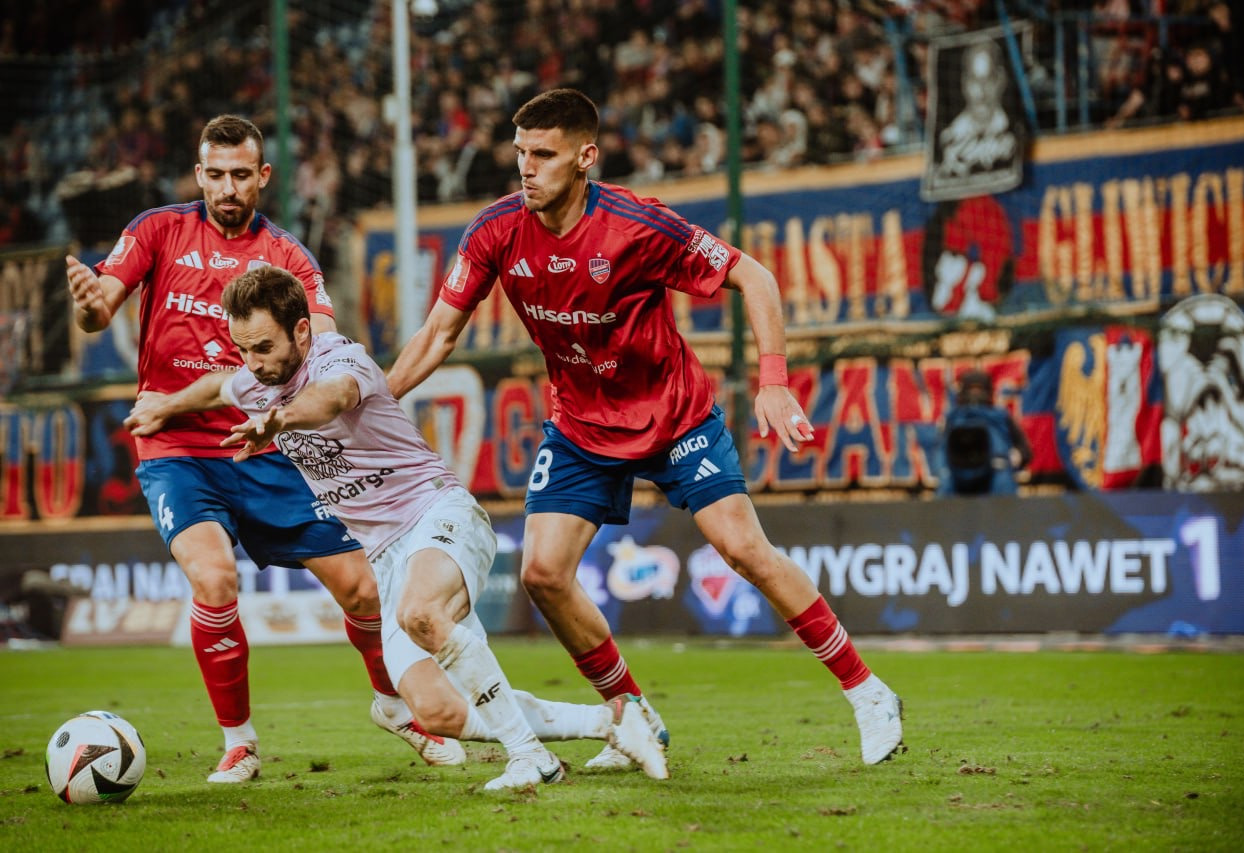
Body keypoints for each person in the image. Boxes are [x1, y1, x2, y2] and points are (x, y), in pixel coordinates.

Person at [384, 88, 905, 770]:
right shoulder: (495, 230)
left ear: (585, 157)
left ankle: (868, 690)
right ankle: (634, 718)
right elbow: (437, 334)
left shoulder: (637, 224)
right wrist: (374, 403)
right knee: (543, 573)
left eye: (544, 155)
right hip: (580, 427)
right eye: (520, 154)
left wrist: (774, 381)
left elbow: (755, 277)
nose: (527, 169)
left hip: (673, 416)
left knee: (744, 549)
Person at [128, 265, 669, 789]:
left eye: (264, 348)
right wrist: (165, 407)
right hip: (386, 556)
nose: (254, 363)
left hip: (437, 513)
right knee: (437, 712)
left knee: (420, 613)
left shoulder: (341, 359)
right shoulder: (255, 380)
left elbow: (333, 398)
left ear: (301, 331)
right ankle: (614, 722)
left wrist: (280, 420)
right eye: (243, 348)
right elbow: (218, 386)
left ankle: (531, 758)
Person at [66, 114, 462, 784]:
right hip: (177, 447)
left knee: (363, 589)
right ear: (199, 174)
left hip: (271, 444)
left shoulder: (287, 256)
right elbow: (100, 307)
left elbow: (323, 339)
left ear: (263, 176)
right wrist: (87, 304)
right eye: (216, 174)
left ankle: (395, 707)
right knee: (214, 578)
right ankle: (240, 742)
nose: (228, 187)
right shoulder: (158, 229)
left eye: (241, 175)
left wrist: (323, 392)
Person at [935, 369, 1033, 497]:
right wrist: (943, 469)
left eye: (979, 389)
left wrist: (1015, 457)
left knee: (1003, 483)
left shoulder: (1001, 416)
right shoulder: (952, 417)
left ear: (988, 391)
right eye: (971, 390)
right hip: (957, 473)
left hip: (995, 471)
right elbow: (940, 449)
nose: (975, 394)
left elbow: (1025, 450)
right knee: (945, 485)